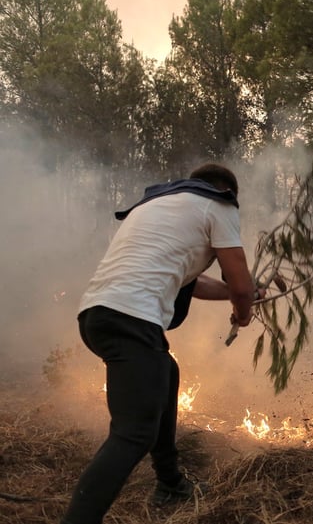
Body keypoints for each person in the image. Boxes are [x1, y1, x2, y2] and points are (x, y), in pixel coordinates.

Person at [61, 164, 259, 524]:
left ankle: (170, 483)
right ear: (225, 191)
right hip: (132, 319)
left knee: (166, 371)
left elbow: (194, 284)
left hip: (96, 316)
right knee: (133, 433)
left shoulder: (156, 207)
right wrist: (243, 310)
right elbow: (240, 286)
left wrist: (241, 294)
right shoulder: (220, 205)